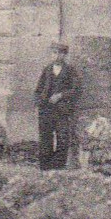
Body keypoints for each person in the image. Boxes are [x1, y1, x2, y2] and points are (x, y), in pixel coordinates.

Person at [35, 42, 80, 171]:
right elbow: (38, 89)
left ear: (65, 55)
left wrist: (60, 95)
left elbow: (76, 89)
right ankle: (45, 167)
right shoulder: (47, 69)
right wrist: (38, 103)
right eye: (54, 53)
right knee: (45, 138)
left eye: (60, 53)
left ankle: (58, 167)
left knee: (62, 138)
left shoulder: (70, 70)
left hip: (62, 110)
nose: (56, 56)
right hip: (46, 110)